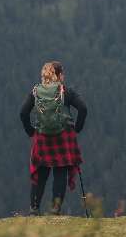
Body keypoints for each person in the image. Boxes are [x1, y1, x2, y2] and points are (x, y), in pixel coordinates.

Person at [20, 61, 87, 215]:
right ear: (59, 75)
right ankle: (55, 209)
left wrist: (31, 131)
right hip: (63, 137)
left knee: (41, 172)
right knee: (60, 172)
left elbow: (23, 113)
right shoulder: (65, 91)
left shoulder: (35, 92)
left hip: (42, 138)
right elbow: (83, 108)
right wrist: (77, 128)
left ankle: (34, 208)